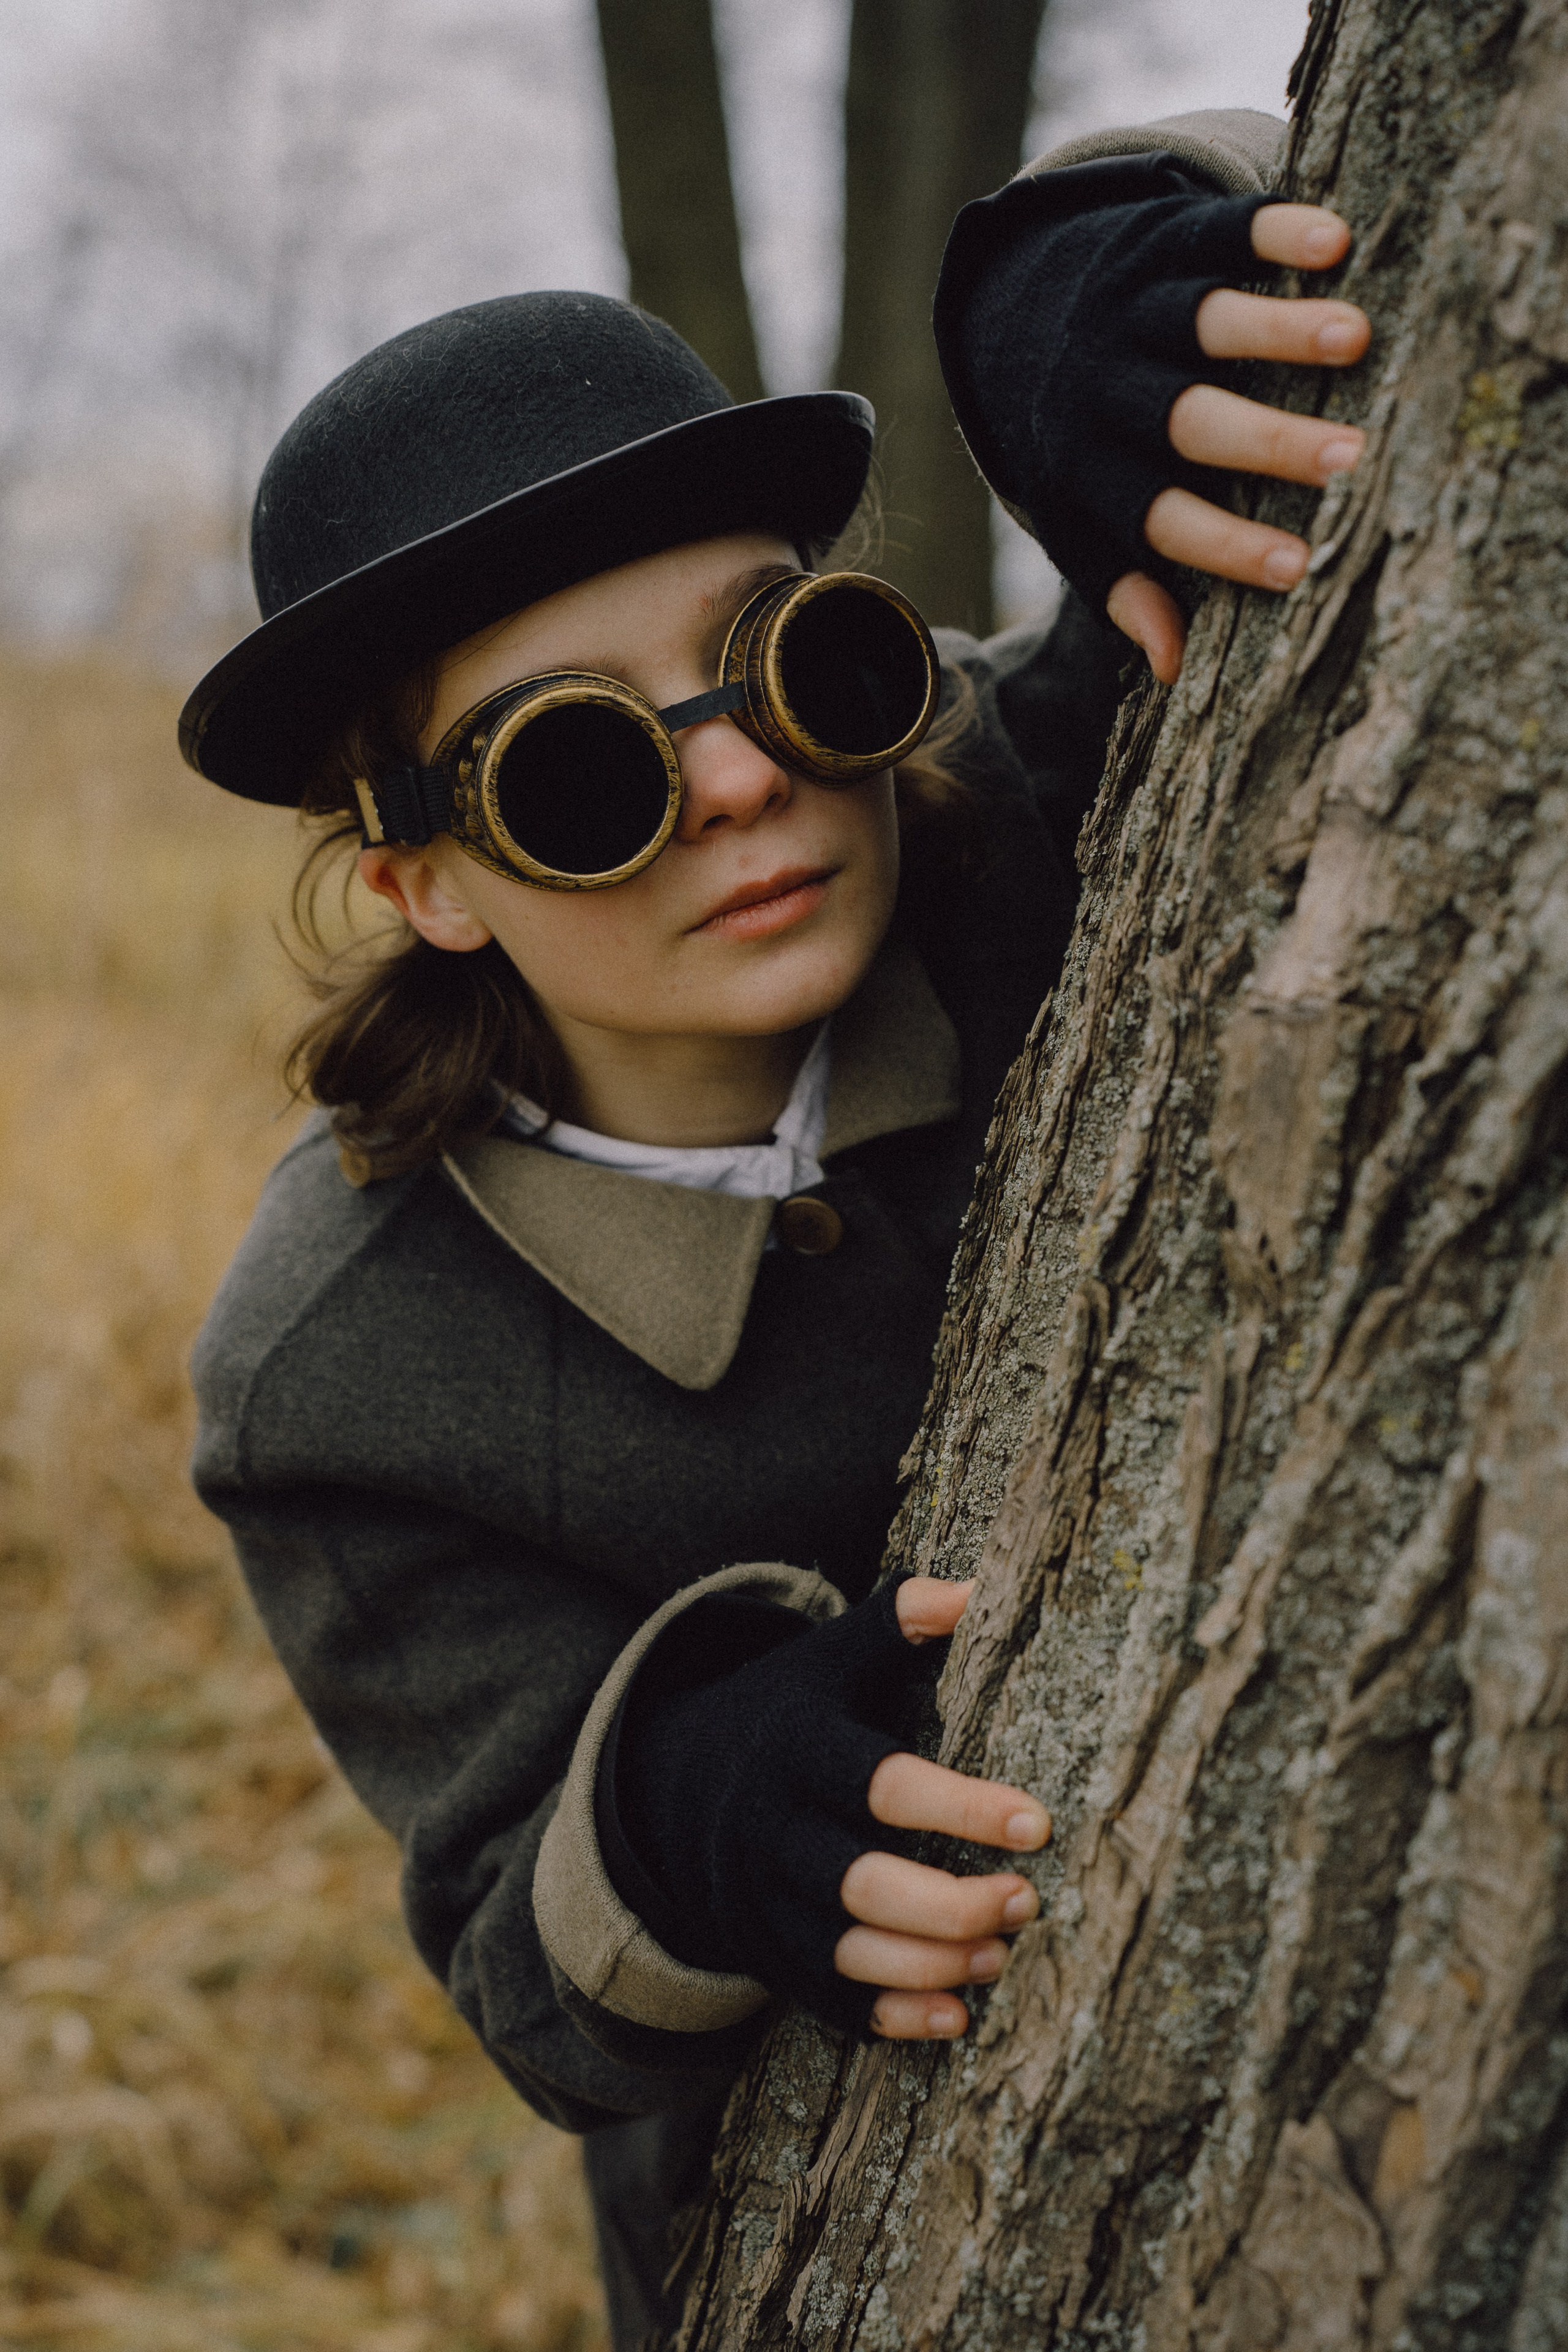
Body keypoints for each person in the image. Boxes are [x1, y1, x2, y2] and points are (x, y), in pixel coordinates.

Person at [184, 105, 1370, 2350]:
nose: (741, 778)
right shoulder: (342, 1366)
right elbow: (527, 1965)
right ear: (422, 879)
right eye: (579, 768)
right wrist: (702, 1798)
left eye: (793, 660)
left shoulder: (1027, 814)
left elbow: (1370, 208)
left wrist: (1075, 277)